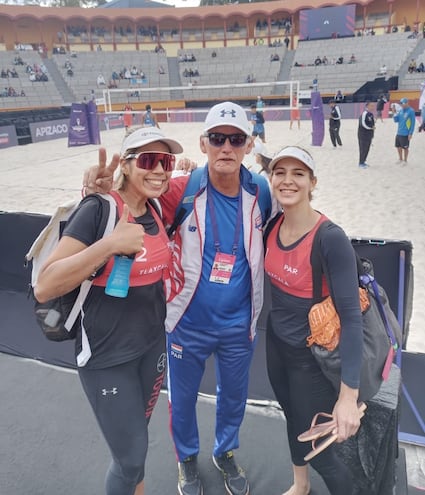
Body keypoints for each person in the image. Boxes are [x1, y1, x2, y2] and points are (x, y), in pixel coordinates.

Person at [83, 102, 277, 495]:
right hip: (186, 322)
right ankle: (186, 459)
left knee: (234, 397)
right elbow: (128, 202)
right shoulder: (180, 188)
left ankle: (225, 452)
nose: (227, 147)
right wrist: (96, 191)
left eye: (236, 139)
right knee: (182, 400)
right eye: (218, 138)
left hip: (239, 323)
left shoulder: (261, 190)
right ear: (204, 144)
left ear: (248, 144)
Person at [34, 126, 184, 495]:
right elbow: (45, 285)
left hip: (151, 349)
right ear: (128, 166)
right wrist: (108, 246)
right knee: (129, 458)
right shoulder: (99, 209)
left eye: (166, 161)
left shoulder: (154, 209)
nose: (160, 171)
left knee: (137, 442)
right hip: (106, 356)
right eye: (149, 160)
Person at [264, 145, 364, 495]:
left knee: (320, 452)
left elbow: (352, 319)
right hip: (277, 346)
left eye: (298, 174)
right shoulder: (272, 225)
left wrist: (348, 396)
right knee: (293, 421)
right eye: (280, 173)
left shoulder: (330, 239)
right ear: (271, 179)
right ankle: (300, 485)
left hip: (312, 359)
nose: (288, 181)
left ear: (312, 182)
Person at [391, 97, 416, 164]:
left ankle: (405, 160)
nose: (402, 105)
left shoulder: (411, 111)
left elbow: (413, 123)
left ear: (407, 103)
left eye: (403, 103)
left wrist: (410, 133)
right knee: (398, 147)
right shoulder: (401, 111)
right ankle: (400, 159)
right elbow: (396, 121)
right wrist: (394, 113)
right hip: (399, 132)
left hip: (406, 133)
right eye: (401, 104)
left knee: (405, 148)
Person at [357, 101, 375, 168]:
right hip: (363, 134)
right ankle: (360, 163)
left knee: (367, 149)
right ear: (367, 106)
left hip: (369, 135)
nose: (373, 107)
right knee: (363, 149)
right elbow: (363, 124)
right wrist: (370, 128)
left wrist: (372, 133)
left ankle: (363, 161)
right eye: (371, 106)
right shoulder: (364, 114)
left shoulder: (371, 114)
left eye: (373, 106)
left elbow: (372, 124)